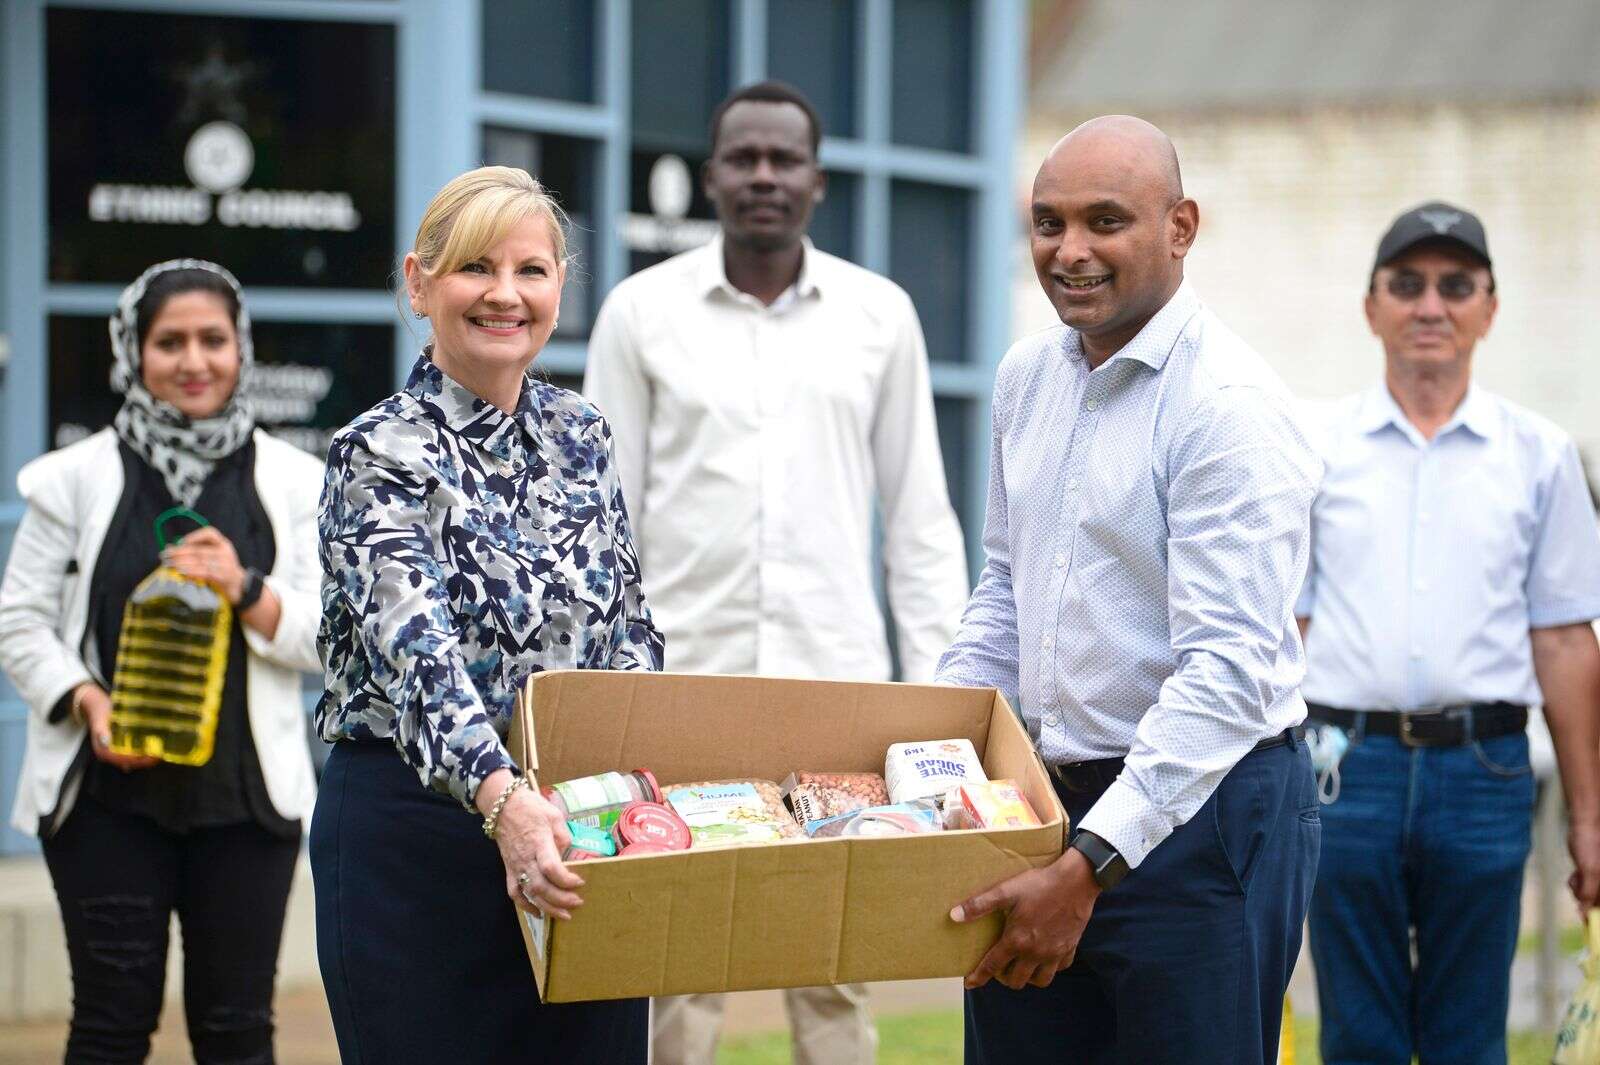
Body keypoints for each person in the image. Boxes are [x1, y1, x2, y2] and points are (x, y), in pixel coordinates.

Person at [584, 80, 969, 1065]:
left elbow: (920, 525)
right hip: (678, 682)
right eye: (743, 158)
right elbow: (601, 522)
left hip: (833, 684)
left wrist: (945, 703)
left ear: (817, 180)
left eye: (782, 159)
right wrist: (605, 693)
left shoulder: (880, 317)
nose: (763, 176)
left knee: (833, 954)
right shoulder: (640, 312)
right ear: (710, 176)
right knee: (675, 953)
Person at [934, 116, 1321, 1065]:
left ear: (1181, 227)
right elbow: (1004, 589)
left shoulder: (1228, 408)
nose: (1070, 252)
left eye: (1105, 221)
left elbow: (1226, 674)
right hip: (1043, 813)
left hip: (1204, 820)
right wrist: (941, 754)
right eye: (1047, 223)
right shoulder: (1029, 376)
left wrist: (1090, 865)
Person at [311, 165, 663, 1064]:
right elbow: (416, 653)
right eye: (475, 268)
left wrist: (643, 784)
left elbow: (627, 623)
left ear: (559, 286)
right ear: (419, 283)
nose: (505, 295)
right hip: (417, 840)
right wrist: (503, 800)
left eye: (532, 271)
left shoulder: (581, 430)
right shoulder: (376, 449)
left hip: (580, 828)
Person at [1297, 202, 1600, 1065]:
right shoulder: (1315, 447)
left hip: (1486, 769)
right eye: (1408, 284)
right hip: (1340, 769)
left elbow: (1568, 641)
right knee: (1358, 1035)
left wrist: (1591, 817)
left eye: (1456, 285)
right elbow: (1290, 622)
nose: (1431, 304)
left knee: (1471, 1034)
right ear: (1372, 307)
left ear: (1489, 309)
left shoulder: (1539, 455)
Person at [0, 259, 323, 1064]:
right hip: (108, 802)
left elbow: (335, 635)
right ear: (133, 352)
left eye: (213, 339)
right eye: (168, 341)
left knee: (237, 1031)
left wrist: (247, 588)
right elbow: (19, 622)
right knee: (110, 1028)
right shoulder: (72, 478)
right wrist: (85, 700)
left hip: (245, 807)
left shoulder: (292, 481)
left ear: (240, 348)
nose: (194, 360)